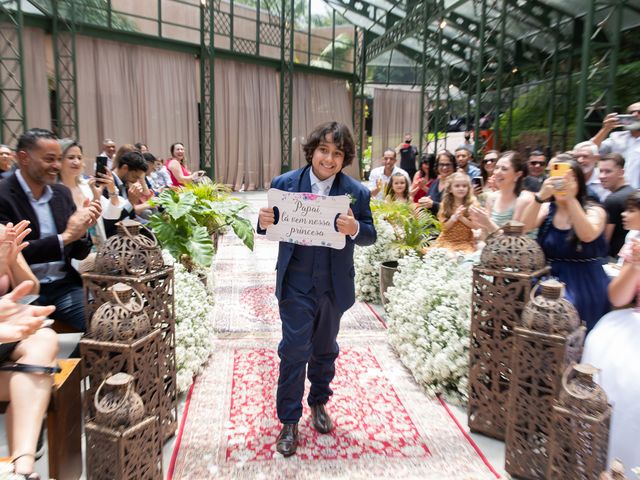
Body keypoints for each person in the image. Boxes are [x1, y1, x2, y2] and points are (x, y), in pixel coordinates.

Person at [257, 121, 376, 457]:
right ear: (312, 151)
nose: (329, 158)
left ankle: (319, 402)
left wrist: (355, 227)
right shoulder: (284, 185)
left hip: (334, 287)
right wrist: (263, 223)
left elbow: (370, 234)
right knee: (294, 349)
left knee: (325, 349)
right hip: (296, 284)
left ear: (345, 158)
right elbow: (268, 227)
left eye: (337, 153)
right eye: (324, 150)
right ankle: (289, 420)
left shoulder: (357, 192)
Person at [0, 128, 101, 332]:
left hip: (63, 285)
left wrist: (83, 230)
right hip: (18, 292)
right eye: (49, 159)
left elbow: (79, 252)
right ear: (24, 158)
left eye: (58, 159)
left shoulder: (60, 194)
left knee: (103, 325)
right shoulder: (3, 194)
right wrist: (64, 238)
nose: (56, 166)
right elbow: (14, 252)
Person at [582, 191, 640, 475]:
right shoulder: (635, 243)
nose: (624, 215)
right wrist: (635, 266)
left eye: (632, 209)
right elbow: (618, 298)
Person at [521, 155, 610, 331]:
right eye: (557, 177)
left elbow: (587, 235)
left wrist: (570, 199)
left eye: (570, 178)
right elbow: (525, 227)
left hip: (584, 283)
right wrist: (540, 198)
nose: (562, 182)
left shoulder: (594, 210)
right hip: (549, 284)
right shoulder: (547, 209)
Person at [0, 224, 58, 480]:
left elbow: (31, 289)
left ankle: (22, 467)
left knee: (44, 338)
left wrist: (8, 262)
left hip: (6, 334)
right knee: (34, 378)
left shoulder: (3, 232)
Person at [58, 139, 123, 247]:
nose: (76, 162)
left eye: (79, 157)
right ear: (59, 160)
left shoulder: (87, 186)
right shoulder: (54, 190)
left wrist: (111, 189)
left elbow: (112, 214)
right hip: (72, 251)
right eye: (71, 157)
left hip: (97, 248)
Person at [470, 151, 533, 237]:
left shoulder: (524, 199)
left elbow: (512, 241)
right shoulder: (492, 197)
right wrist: (478, 222)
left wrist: (488, 224)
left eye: (504, 169)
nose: (497, 172)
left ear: (518, 175)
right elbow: (486, 236)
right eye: (496, 168)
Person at [591, 102, 640, 188]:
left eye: (639, 112)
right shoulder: (616, 137)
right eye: (631, 113)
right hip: (615, 193)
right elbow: (591, 150)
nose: (635, 115)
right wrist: (605, 129)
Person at [598, 153, 635, 258]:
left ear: (621, 172)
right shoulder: (633, 193)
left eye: (608, 171)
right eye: (600, 171)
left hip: (615, 260)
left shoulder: (612, 200)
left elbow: (603, 240)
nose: (602, 176)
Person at [431, 172, 478, 253]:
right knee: (449, 256)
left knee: (464, 257)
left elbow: (475, 226)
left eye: (464, 186)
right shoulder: (445, 204)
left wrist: (461, 218)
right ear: (450, 189)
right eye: (457, 186)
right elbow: (443, 228)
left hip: (465, 241)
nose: (461, 188)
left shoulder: (472, 204)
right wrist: (453, 218)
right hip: (447, 240)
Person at [417, 150, 457, 216]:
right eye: (441, 164)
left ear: (454, 166)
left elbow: (456, 208)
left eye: (448, 164)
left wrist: (433, 204)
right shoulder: (435, 182)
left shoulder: (457, 184)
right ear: (437, 166)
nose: (444, 167)